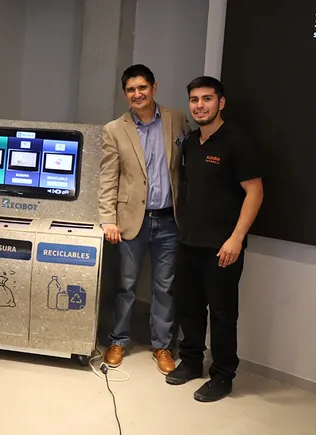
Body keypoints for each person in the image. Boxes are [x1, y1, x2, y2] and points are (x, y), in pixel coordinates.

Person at [166, 76, 263, 402]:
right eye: (194, 100)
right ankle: (192, 361)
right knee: (190, 308)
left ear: (221, 103)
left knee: (222, 315)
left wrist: (236, 238)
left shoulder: (236, 142)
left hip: (223, 247)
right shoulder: (191, 142)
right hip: (189, 242)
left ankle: (222, 376)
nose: (199, 106)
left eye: (207, 99)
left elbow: (255, 192)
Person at [98, 64, 189, 375]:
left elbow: (186, 167)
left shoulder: (177, 119)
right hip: (130, 220)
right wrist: (108, 219)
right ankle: (118, 340)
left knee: (165, 287)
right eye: (131, 90)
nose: (137, 94)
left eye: (142, 88)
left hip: (169, 220)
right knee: (126, 285)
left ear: (154, 88)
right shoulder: (114, 129)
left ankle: (161, 345)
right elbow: (108, 177)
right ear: (125, 94)